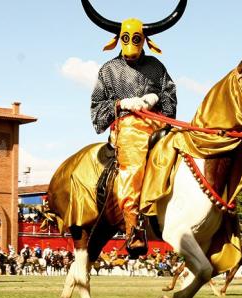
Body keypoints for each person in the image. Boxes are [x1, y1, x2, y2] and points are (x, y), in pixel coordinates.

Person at [82, 0, 184, 257]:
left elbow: (170, 98)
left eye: (136, 42)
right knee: (135, 157)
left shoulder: (156, 68)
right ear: (119, 41)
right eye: (127, 42)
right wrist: (121, 103)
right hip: (126, 128)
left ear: (144, 41)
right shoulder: (109, 70)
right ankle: (134, 227)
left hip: (158, 122)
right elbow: (96, 110)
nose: (131, 51)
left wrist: (155, 99)